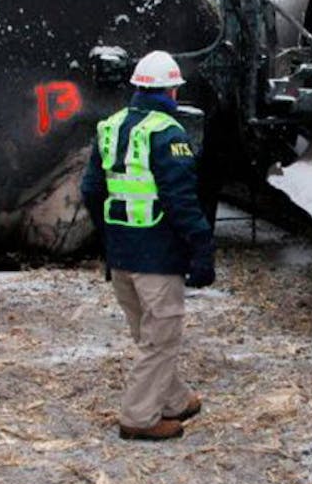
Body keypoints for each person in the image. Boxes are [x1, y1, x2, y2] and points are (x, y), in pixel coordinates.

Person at [81, 50, 216, 441]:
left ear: (137, 87)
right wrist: (201, 250)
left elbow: (91, 189)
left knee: (149, 332)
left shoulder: (110, 127)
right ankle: (139, 418)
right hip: (157, 256)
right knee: (161, 338)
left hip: (121, 252)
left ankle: (175, 400)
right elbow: (182, 201)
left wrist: (110, 236)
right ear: (171, 91)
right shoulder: (168, 133)